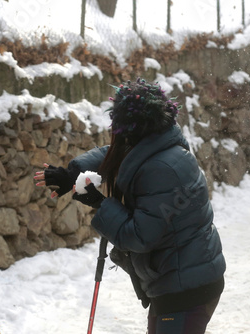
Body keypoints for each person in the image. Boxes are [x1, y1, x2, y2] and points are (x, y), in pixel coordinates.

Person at [34, 78, 226, 334]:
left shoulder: (161, 169)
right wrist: (74, 174)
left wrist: (99, 204)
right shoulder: (160, 144)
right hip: (182, 279)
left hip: (185, 288)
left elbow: (138, 236)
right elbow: (113, 154)